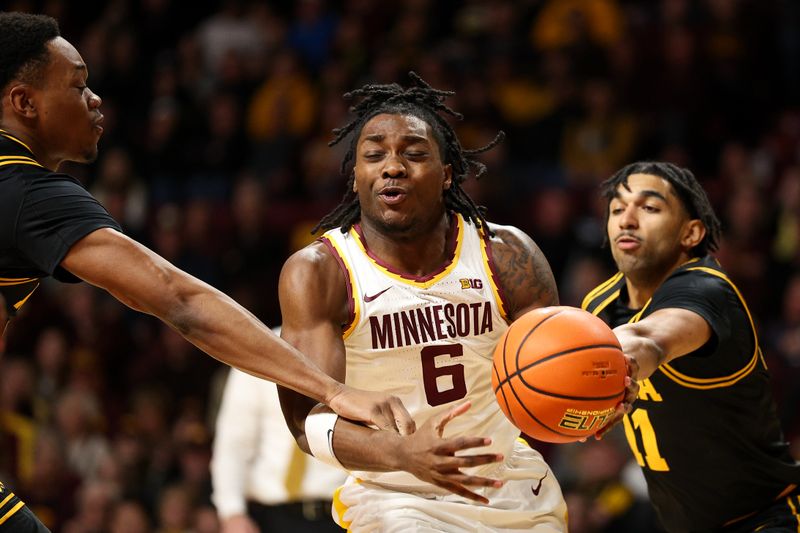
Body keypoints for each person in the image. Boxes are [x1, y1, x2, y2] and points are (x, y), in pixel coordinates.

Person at [0, 12, 413, 532]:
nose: (95, 98)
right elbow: (180, 300)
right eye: (79, 85)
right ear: (23, 102)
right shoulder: (23, 189)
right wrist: (333, 391)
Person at [276, 73, 576, 532]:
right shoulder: (320, 271)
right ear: (355, 178)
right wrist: (401, 454)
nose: (392, 166)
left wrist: (594, 395)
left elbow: (555, 371)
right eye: (373, 155)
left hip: (510, 484)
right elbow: (307, 424)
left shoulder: (507, 254)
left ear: (447, 174)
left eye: (414, 154)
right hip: (395, 495)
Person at [582, 161, 800, 532]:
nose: (627, 219)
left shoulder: (708, 290)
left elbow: (650, 339)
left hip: (765, 518)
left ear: (691, 233)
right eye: (617, 209)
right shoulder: (597, 306)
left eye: (649, 208)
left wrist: (596, 358)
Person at [211, 365, 346, 533]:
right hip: (269, 516)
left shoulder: (356, 349)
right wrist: (232, 513)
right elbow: (233, 444)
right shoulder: (255, 353)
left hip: (340, 513)